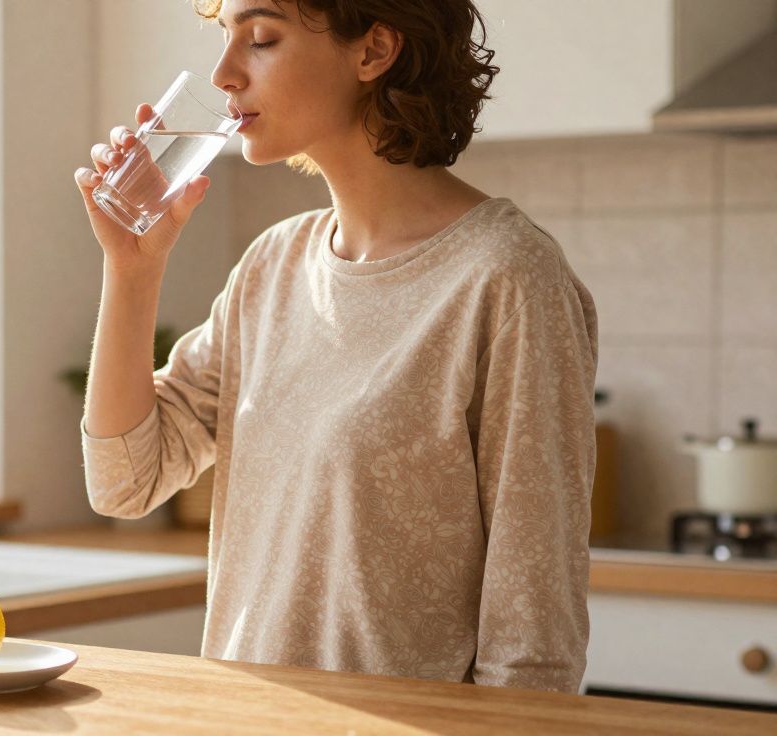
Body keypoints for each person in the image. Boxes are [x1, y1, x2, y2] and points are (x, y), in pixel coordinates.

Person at [72, 0, 598, 694]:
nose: (224, 73)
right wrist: (131, 270)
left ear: (373, 51)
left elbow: (533, 632)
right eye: (225, 37)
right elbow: (125, 482)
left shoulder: (507, 277)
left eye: (261, 38)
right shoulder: (272, 265)